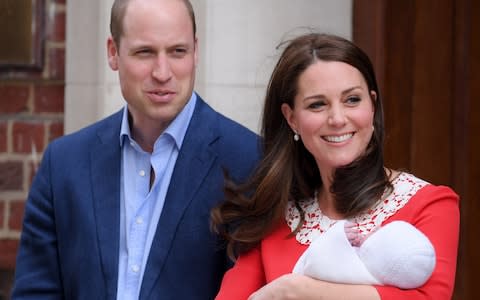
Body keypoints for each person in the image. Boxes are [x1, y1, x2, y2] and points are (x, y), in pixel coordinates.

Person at [11, 0, 260, 299]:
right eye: (145, 52)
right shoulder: (63, 164)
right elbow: (35, 292)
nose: (162, 72)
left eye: (177, 51)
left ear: (195, 51)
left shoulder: (249, 160)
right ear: (113, 52)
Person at [211, 33, 459, 300]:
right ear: (292, 118)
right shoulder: (276, 215)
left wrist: (296, 291)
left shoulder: (429, 204)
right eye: (317, 104)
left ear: (372, 106)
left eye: (352, 100)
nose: (338, 118)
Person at [293, 220, 436, 289]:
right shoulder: (379, 278)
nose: (377, 227)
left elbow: (315, 262)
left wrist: (337, 237)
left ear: (373, 251)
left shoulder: (353, 274)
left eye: (379, 233)